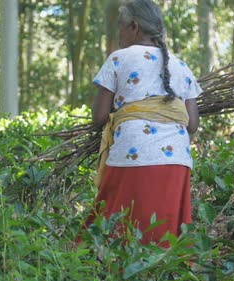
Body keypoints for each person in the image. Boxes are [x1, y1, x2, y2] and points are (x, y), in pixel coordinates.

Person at [86, 0, 202, 249]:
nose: (119, 33)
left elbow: (98, 117)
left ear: (134, 27)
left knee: (117, 223)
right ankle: (165, 277)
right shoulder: (181, 66)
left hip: (133, 153)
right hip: (176, 160)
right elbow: (192, 124)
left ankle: (114, 274)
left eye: (120, 26)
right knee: (165, 227)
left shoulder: (119, 58)